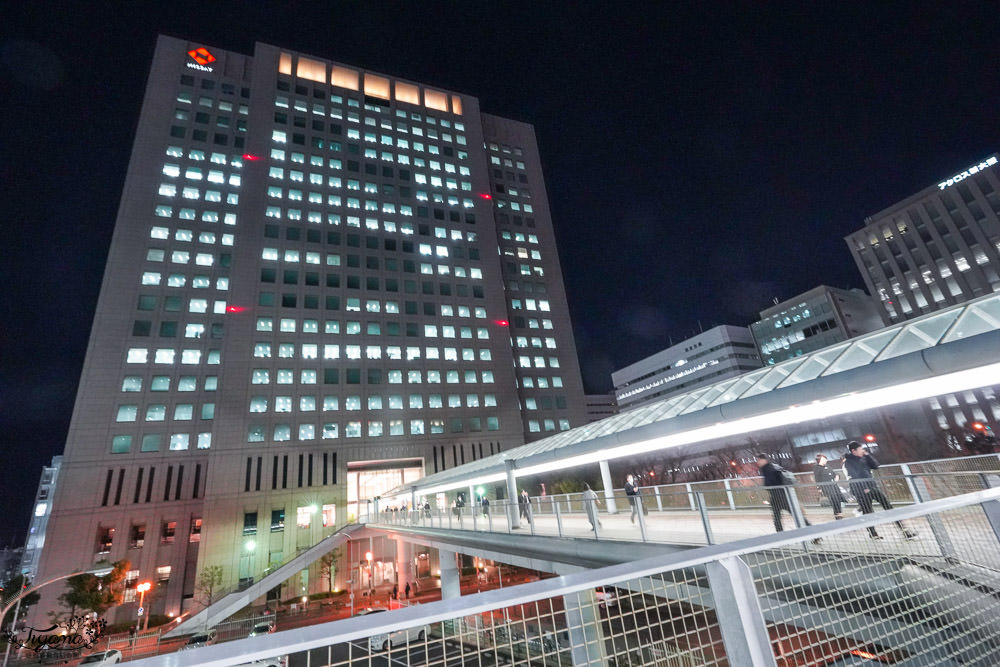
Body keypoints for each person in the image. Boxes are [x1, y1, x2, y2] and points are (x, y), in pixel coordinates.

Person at [844, 441, 916, 540]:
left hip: (872, 486)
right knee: (868, 512)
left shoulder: (864, 457)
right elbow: (854, 476)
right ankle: (873, 534)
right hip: (861, 490)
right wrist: (865, 488)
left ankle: (904, 530)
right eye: (860, 449)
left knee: (888, 506)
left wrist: (868, 456)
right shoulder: (849, 462)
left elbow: (876, 466)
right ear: (853, 451)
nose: (862, 450)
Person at [756, 454, 818, 540]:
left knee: (777, 518)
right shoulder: (774, 467)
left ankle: (781, 536)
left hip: (777, 496)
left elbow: (770, 482)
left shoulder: (767, 469)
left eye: (758, 460)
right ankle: (814, 535)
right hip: (785, 495)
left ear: (764, 460)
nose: (757, 462)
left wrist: (766, 486)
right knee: (797, 515)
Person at [813, 454, 846, 520]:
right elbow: (817, 479)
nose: (826, 460)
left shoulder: (827, 466)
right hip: (827, 487)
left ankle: (839, 513)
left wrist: (837, 476)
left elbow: (834, 474)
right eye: (824, 459)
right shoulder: (817, 467)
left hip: (834, 485)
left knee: (838, 499)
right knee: (834, 499)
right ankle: (837, 515)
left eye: (826, 459)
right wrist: (819, 488)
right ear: (819, 460)